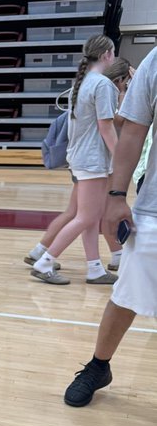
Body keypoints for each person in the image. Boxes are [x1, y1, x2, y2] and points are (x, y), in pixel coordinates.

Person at [63, 44, 157, 405]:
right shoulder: (150, 63)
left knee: (81, 217)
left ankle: (48, 256)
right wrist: (117, 195)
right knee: (125, 294)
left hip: (86, 163)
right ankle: (99, 365)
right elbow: (131, 131)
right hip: (149, 203)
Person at [24, 56, 133, 274]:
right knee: (96, 212)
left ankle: (42, 251)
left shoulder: (89, 87)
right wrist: (129, 90)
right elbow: (116, 124)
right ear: (120, 79)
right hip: (95, 161)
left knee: (78, 212)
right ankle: (47, 258)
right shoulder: (106, 93)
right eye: (126, 81)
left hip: (83, 160)